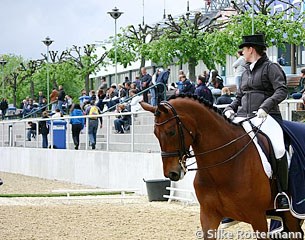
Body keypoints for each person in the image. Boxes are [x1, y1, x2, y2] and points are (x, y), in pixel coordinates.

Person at [224, 34, 289, 211]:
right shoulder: (245, 71)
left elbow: (282, 91)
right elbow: (239, 96)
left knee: (279, 148)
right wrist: (230, 108)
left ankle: (282, 194)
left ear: (251, 49)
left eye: (243, 49)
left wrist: (265, 106)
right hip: (244, 117)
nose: (241, 52)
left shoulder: (271, 68)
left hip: (266, 117)